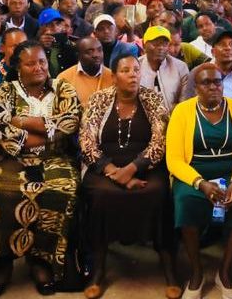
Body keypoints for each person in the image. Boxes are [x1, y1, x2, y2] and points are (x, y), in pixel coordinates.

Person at [0, 42, 81, 295]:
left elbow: (69, 122)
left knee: (61, 189)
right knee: (0, 190)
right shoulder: (6, 90)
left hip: (56, 157)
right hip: (11, 158)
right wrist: (47, 132)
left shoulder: (62, 87)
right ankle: (2, 263)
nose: (38, 67)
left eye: (42, 62)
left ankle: (41, 261)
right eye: (30, 63)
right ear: (18, 67)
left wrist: (23, 121)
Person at [80, 54, 177, 299]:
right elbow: (86, 140)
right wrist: (114, 172)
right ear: (114, 76)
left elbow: (159, 140)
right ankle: (99, 270)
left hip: (145, 166)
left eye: (136, 70)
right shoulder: (99, 99)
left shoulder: (152, 98)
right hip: (104, 166)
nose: (133, 74)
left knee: (157, 192)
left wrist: (132, 170)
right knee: (102, 195)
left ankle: (169, 267)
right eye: (126, 70)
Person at [166, 63, 232, 299]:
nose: (213, 87)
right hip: (194, 175)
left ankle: (224, 272)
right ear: (196, 88)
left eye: (217, 81)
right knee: (185, 200)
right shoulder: (182, 111)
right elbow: (174, 160)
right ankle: (196, 273)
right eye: (206, 83)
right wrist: (201, 184)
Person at [182, 29, 232, 114]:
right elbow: (188, 107)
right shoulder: (197, 73)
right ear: (213, 52)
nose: (228, 48)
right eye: (222, 44)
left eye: (231, 44)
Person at [139, 25, 191, 112]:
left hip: (173, 119)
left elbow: (185, 102)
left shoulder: (180, 67)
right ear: (144, 45)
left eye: (165, 44)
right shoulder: (136, 66)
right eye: (155, 44)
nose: (161, 48)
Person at [57, 35, 115, 105]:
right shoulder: (64, 78)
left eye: (99, 50)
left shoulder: (113, 77)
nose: (96, 55)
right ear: (78, 55)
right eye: (90, 51)